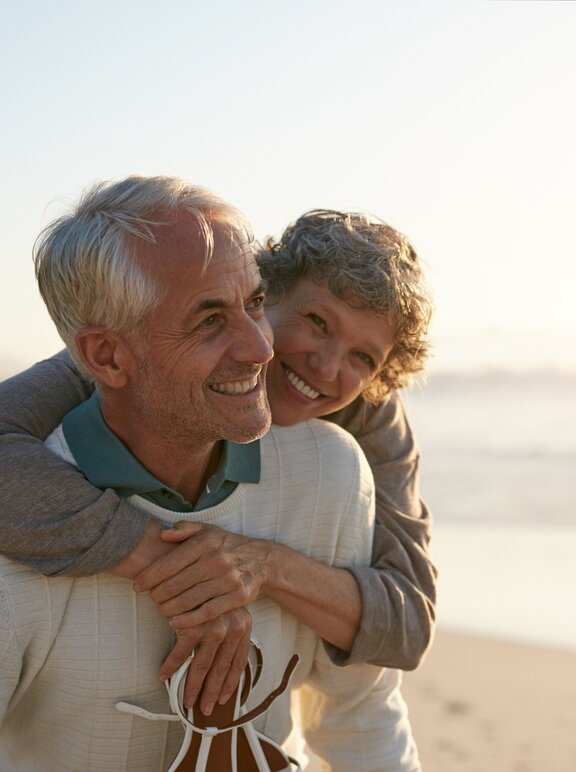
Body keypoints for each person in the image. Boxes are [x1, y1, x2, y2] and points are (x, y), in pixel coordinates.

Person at [0, 175, 421, 771]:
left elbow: (380, 676)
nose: (261, 348)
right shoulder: (19, 515)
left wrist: (265, 565)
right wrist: (172, 569)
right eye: (209, 320)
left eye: (250, 305)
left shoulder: (338, 463)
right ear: (106, 357)